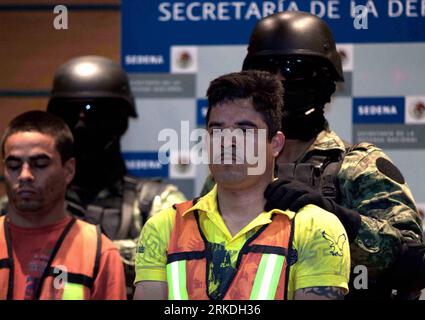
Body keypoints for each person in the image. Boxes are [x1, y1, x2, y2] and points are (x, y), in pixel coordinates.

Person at [224, 11, 423, 299]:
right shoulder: (239, 169)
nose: (279, 80)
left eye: (293, 68)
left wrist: (336, 217)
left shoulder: (357, 166)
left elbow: (413, 264)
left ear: (323, 79)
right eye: (266, 70)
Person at [133, 70, 350, 300]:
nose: (227, 142)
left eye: (245, 130)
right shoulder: (164, 227)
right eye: (216, 130)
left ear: (275, 144)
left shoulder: (317, 227)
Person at [0, 111, 126, 300]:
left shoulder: (99, 252)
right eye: (14, 165)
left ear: (68, 171)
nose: (25, 175)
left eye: (40, 164)